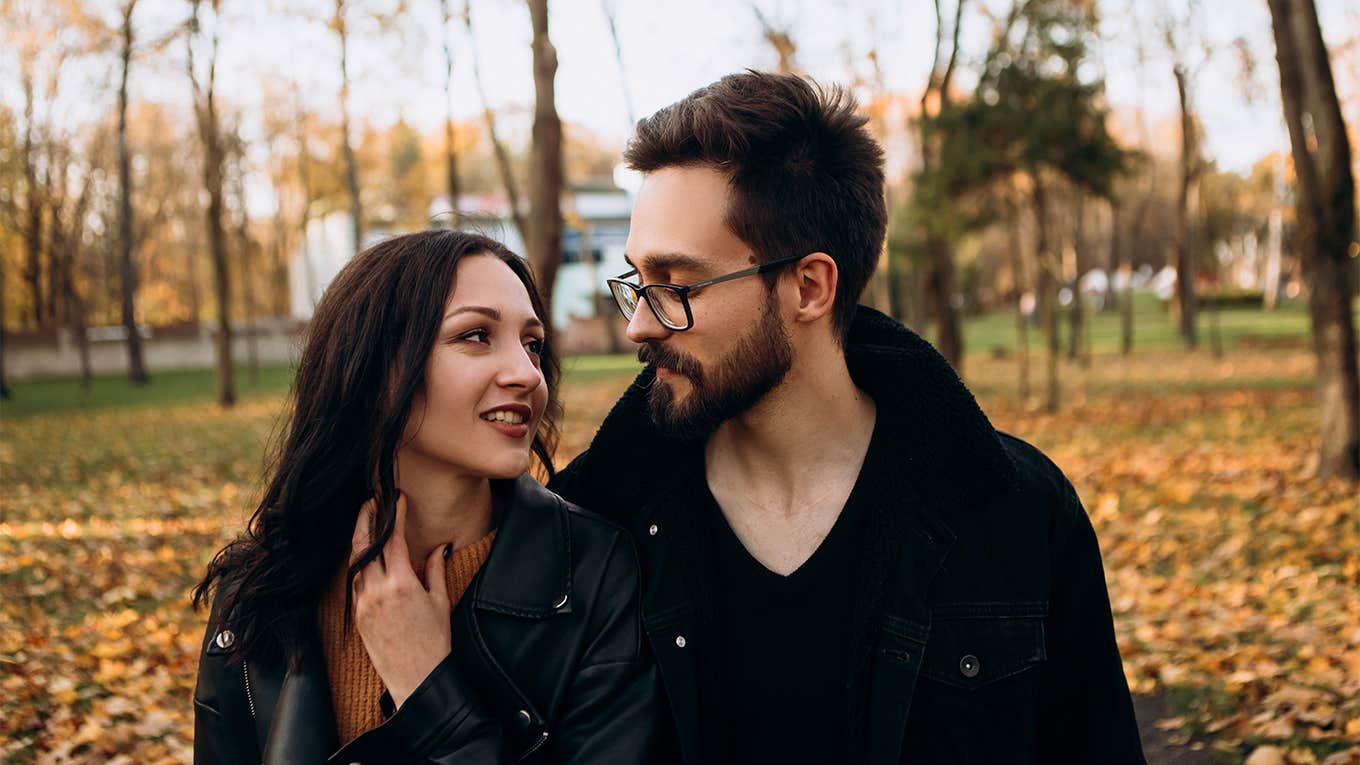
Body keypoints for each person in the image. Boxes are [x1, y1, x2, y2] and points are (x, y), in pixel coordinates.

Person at [549, 71, 1146, 764]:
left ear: (809, 287)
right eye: (637, 283)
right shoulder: (594, 522)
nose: (639, 327)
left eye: (677, 286)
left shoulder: (1015, 513)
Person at [192, 230, 656, 764]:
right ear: (373, 367)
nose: (527, 374)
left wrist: (428, 688)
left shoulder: (599, 581)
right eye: (476, 336)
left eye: (532, 344)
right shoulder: (260, 588)